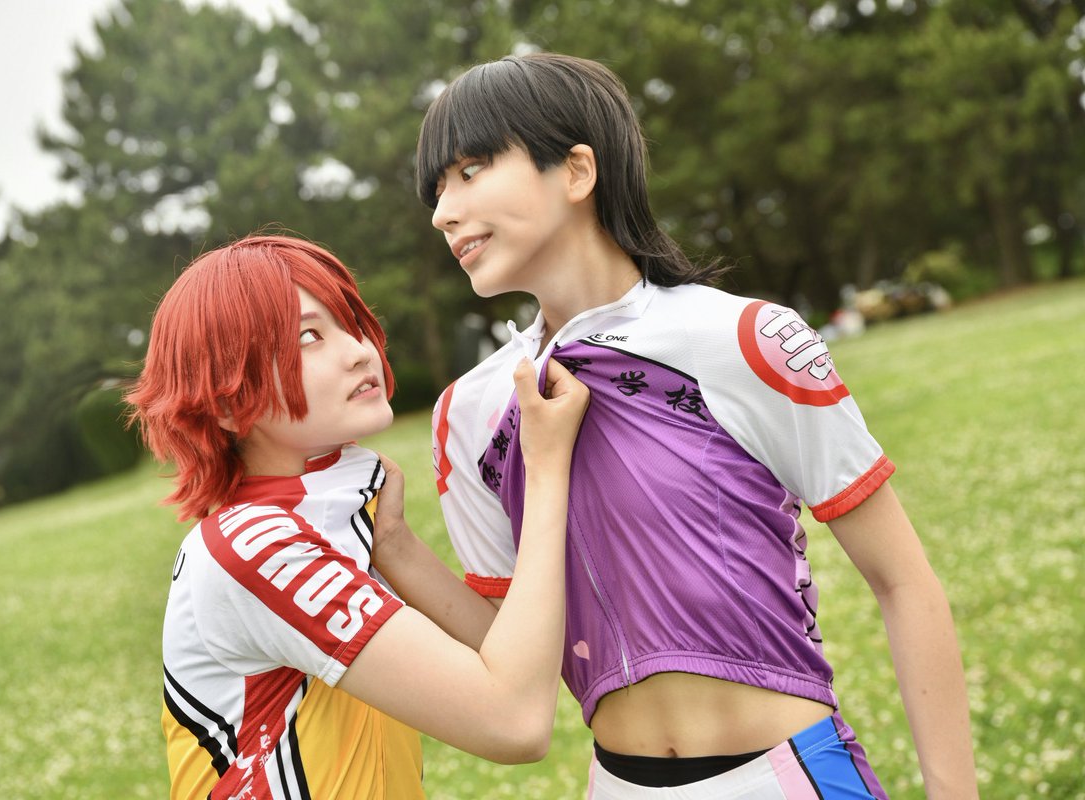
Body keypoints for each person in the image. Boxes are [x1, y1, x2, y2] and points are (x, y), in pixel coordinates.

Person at [389, 52, 978, 798]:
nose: (442, 211)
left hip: (785, 775)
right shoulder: (470, 414)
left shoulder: (746, 339)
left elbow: (902, 581)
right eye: (438, 189)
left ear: (577, 171)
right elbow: (512, 647)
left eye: (470, 170)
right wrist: (395, 546)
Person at [124, 233, 589, 800]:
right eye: (308, 337)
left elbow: (508, 662)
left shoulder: (333, 508)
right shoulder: (258, 544)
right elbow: (514, 721)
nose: (359, 350)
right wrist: (544, 468)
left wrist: (394, 544)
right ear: (225, 401)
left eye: (350, 324)